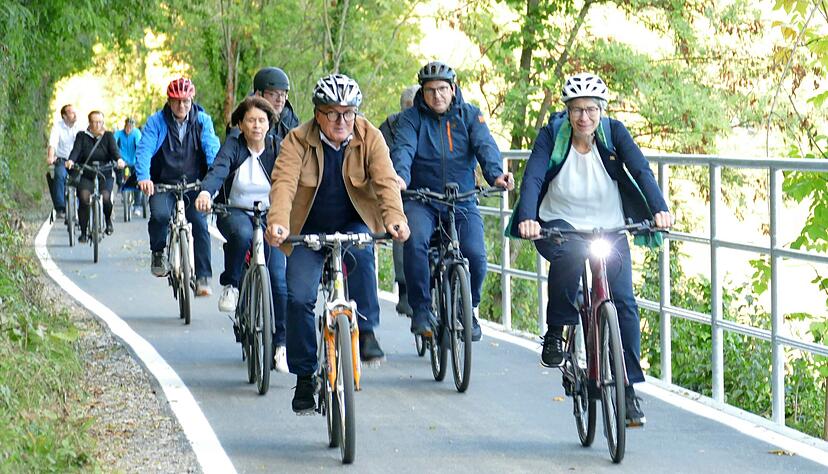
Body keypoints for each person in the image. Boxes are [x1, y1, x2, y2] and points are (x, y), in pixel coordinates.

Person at [509, 72, 674, 427]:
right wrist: (527, 218)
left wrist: (659, 208)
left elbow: (641, 170)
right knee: (569, 257)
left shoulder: (614, 133)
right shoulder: (553, 135)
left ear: (601, 110)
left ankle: (628, 389)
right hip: (559, 223)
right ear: (567, 111)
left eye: (591, 109)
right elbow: (534, 177)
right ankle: (557, 331)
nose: (584, 117)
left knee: (625, 303)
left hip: (608, 226)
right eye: (577, 109)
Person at [265, 73, 410, 413]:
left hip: (353, 219)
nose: (341, 121)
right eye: (332, 113)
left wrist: (395, 219)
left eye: (348, 113)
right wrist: (278, 224)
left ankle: (368, 332)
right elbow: (283, 184)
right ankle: (303, 376)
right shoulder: (297, 141)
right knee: (298, 296)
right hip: (307, 227)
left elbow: (386, 180)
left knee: (363, 253)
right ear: (318, 114)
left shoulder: (369, 136)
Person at [391, 61, 513, 342]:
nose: (437, 96)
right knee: (415, 240)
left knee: (477, 254)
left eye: (443, 89)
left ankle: (467, 308)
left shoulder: (469, 115)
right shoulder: (411, 118)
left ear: (453, 89)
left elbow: (485, 145)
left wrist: (496, 175)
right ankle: (421, 308)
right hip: (423, 198)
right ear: (423, 92)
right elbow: (404, 149)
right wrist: (400, 177)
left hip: (462, 199)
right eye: (431, 90)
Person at [194, 96, 289, 373]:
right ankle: (232, 285)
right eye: (250, 120)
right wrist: (205, 192)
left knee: (279, 281)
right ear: (241, 124)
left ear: (269, 124)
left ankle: (280, 345)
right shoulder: (233, 147)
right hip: (235, 210)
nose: (256, 126)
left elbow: (291, 179)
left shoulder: (278, 148)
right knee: (242, 233)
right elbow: (218, 171)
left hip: (271, 215)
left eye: (261, 120)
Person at [135, 77, 220, 296]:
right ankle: (157, 251)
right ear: (169, 101)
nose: (181, 106)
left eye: (185, 101)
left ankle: (202, 277)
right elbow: (144, 149)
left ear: (192, 99)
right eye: (176, 101)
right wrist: (144, 177)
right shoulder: (157, 121)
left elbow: (212, 150)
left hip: (194, 183)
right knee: (160, 216)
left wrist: (211, 183)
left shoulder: (202, 121)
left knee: (200, 225)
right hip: (163, 183)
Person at [379, 85, 420, 317]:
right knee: (400, 227)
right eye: (408, 107)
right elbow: (380, 157)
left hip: (429, 187)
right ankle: (403, 289)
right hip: (400, 187)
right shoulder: (391, 125)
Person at [65, 111, 125, 242]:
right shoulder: (82, 136)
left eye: (100, 122)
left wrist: (119, 160)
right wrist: (71, 161)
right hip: (87, 173)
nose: (97, 125)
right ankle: (83, 231)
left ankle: (108, 220)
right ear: (89, 123)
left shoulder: (108, 136)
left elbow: (115, 152)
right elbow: (76, 151)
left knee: (106, 197)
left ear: (103, 123)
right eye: (94, 122)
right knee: (84, 197)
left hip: (104, 174)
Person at [47, 104, 82, 219]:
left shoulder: (80, 126)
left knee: (83, 178)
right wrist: (51, 157)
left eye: (75, 112)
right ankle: (60, 207)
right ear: (64, 116)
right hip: (62, 160)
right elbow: (53, 143)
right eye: (71, 112)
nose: (75, 114)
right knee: (59, 175)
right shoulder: (58, 127)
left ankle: (83, 205)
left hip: (77, 161)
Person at [251, 67, 300, 140]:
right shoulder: (244, 119)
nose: (280, 99)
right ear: (258, 95)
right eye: (273, 94)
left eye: (283, 94)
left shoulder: (290, 121)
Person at [114, 117, 143, 215]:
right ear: (124, 126)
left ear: (133, 127)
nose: (128, 129)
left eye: (130, 128)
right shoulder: (119, 133)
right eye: (127, 127)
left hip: (135, 161)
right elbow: (113, 143)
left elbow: (139, 146)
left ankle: (137, 205)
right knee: (118, 171)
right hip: (123, 161)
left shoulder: (136, 133)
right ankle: (120, 185)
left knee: (137, 182)